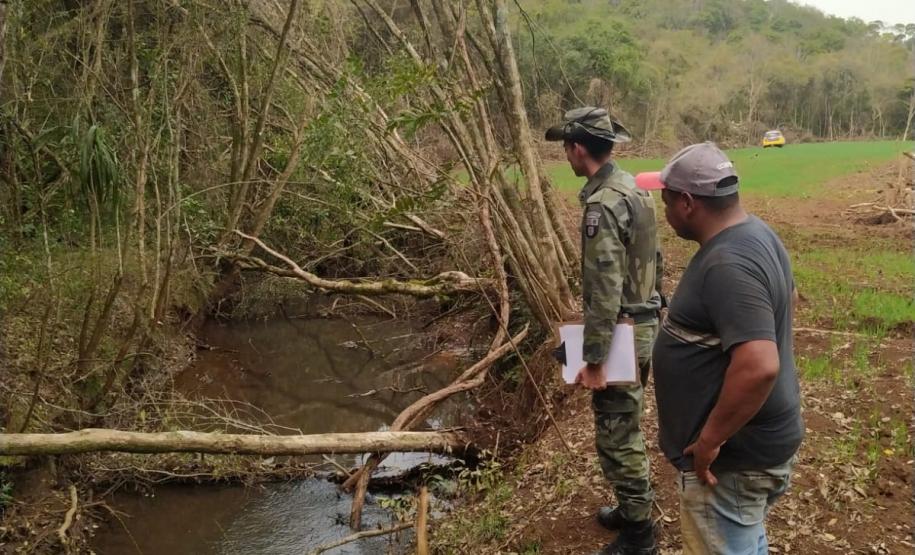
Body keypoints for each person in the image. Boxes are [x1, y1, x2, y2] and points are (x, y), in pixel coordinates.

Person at [636, 143, 804, 554]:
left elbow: (760, 365)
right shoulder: (758, 234)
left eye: (667, 200)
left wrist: (710, 441)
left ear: (689, 203)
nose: (666, 211)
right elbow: (790, 298)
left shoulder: (727, 263)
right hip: (756, 449)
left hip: (733, 463)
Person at [545, 107, 662, 555]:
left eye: (566, 149)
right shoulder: (633, 188)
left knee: (618, 432)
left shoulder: (603, 204)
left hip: (623, 332)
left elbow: (604, 288)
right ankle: (630, 507)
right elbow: (653, 259)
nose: (566, 157)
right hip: (644, 321)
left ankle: (639, 533)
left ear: (578, 149)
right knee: (624, 423)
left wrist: (594, 358)